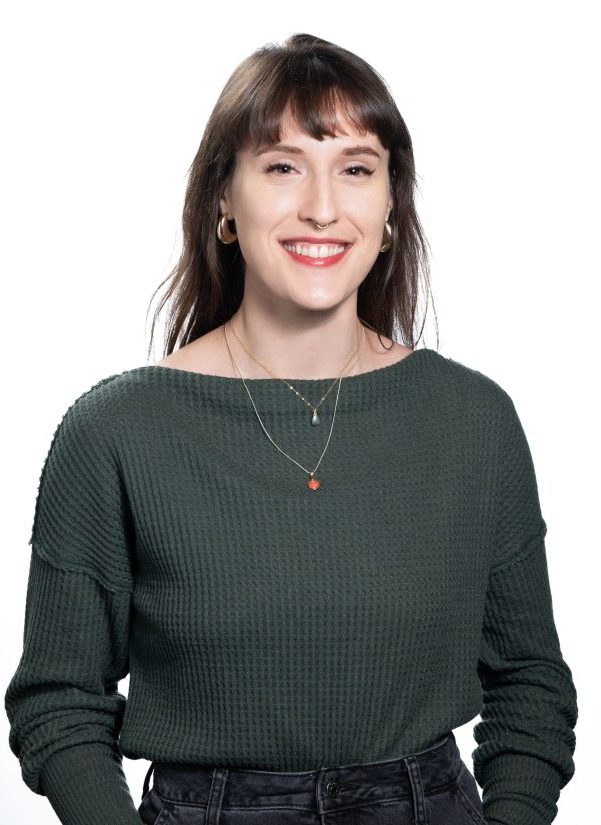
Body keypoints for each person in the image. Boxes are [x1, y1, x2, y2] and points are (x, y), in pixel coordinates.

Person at [4, 32, 577, 825]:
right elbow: (58, 700)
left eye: (355, 169)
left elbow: (529, 683)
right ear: (224, 201)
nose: (322, 207)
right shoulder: (115, 432)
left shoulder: (473, 420)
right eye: (282, 167)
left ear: (389, 206)